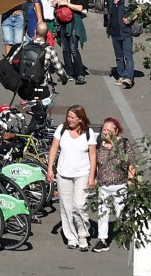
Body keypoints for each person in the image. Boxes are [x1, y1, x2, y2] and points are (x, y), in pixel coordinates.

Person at [45, 106, 97, 251]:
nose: (70, 119)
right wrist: (50, 169)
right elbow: (54, 149)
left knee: (79, 205)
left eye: (73, 117)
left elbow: (93, 156)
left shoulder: (88, 133)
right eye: (69, 116)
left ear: (81, 119)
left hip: (82, 173)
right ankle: (71, 237)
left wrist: (92, 177)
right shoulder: (62, 129)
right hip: (63, 173)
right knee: (66, 207)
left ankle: (83, 234)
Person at [91, 117, 136, 251]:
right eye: (103, 129)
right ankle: (102, 240)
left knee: (121, 213)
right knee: (102, 213)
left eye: (108, 130)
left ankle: (126, 235)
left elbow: (132, 163)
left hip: (120, 185)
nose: (105, 132)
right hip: (103, 186)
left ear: (116, 131)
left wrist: (130, 180)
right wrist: (95, 178)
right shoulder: (100, 145)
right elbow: (97, 164)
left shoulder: (125, 144)